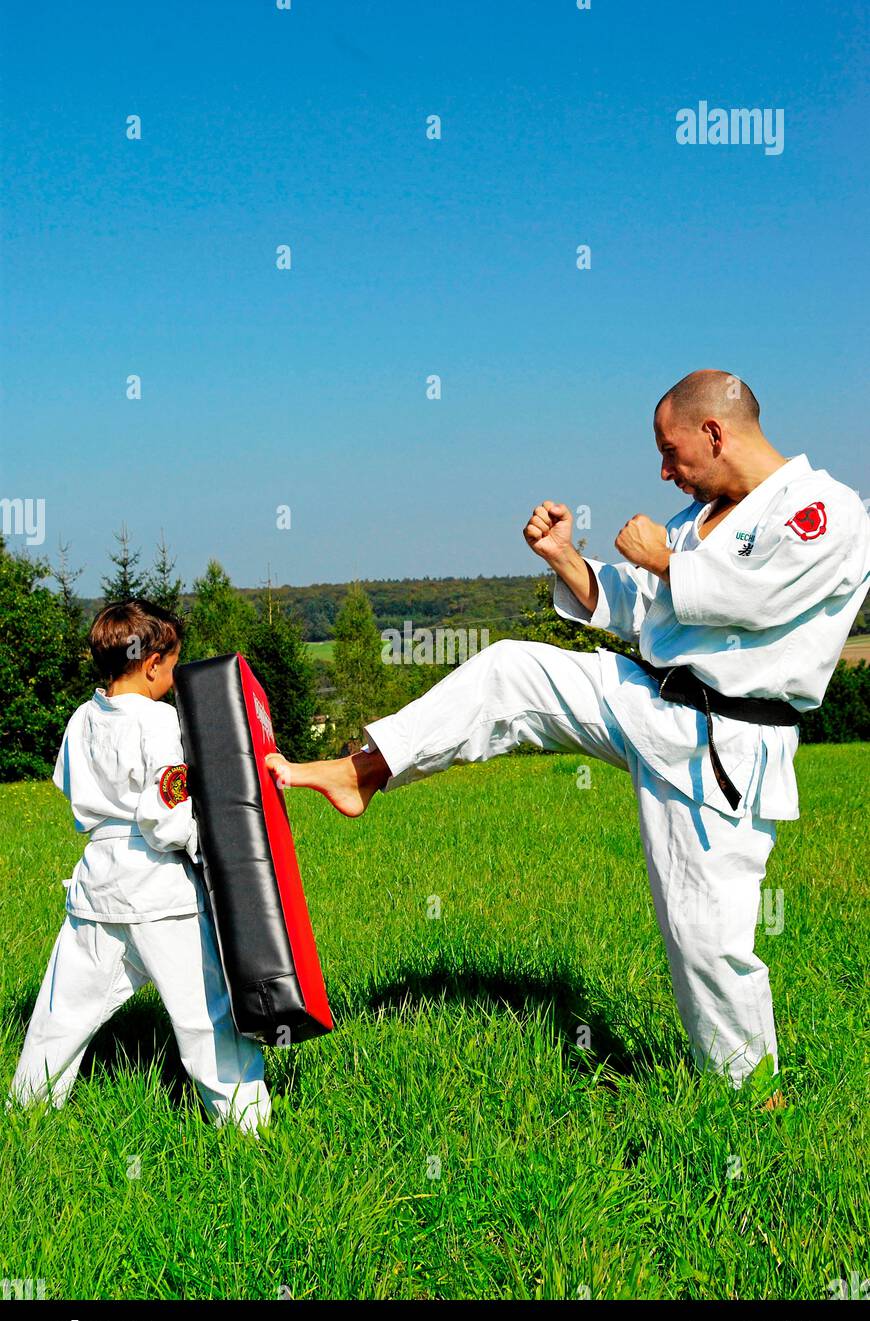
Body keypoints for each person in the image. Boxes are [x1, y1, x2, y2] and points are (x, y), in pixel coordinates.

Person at [264, 371, 870, 1107]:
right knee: (511, 670)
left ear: (715, 433)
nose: (664, 469)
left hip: (728, 743)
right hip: (655, 700)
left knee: (703, 938)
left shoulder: (825, 510)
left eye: (671, 451)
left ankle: (752, 1098)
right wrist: (569, 559)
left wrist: (665, 560)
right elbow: (644, 610)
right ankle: (364, 770)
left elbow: (761, 598)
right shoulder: (700, 518)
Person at [8, 599, 271, 1135]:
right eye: (173, 666)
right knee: (204, 1017)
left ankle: (25, 1110)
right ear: (152, 663)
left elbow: (67, 783)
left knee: (62, 1013)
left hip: (97, 886)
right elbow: (166, 820)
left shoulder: (83, 717)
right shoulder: (160, 720)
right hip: (159, 893)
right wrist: (209, 843)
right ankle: (247, 1124)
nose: (174, 679)